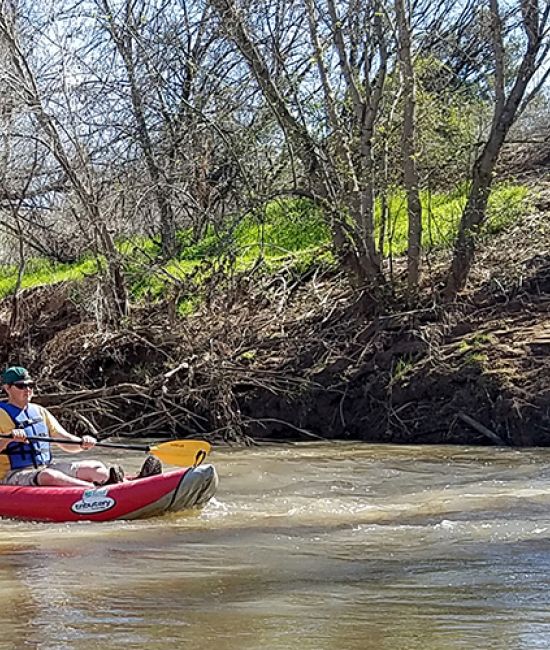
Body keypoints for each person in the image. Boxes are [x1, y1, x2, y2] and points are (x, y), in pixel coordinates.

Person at [0, 366, 161, 487]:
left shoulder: (40, 412)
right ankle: (96, 490)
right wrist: (8, 440)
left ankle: (125, 484)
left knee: (94, 466)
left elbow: (64, 440)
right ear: (7, 388)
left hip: (44, 466)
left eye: (30, 384)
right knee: (49, 475)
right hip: (12, 474)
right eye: (21, 385)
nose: (27, 389)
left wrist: (82, 443)